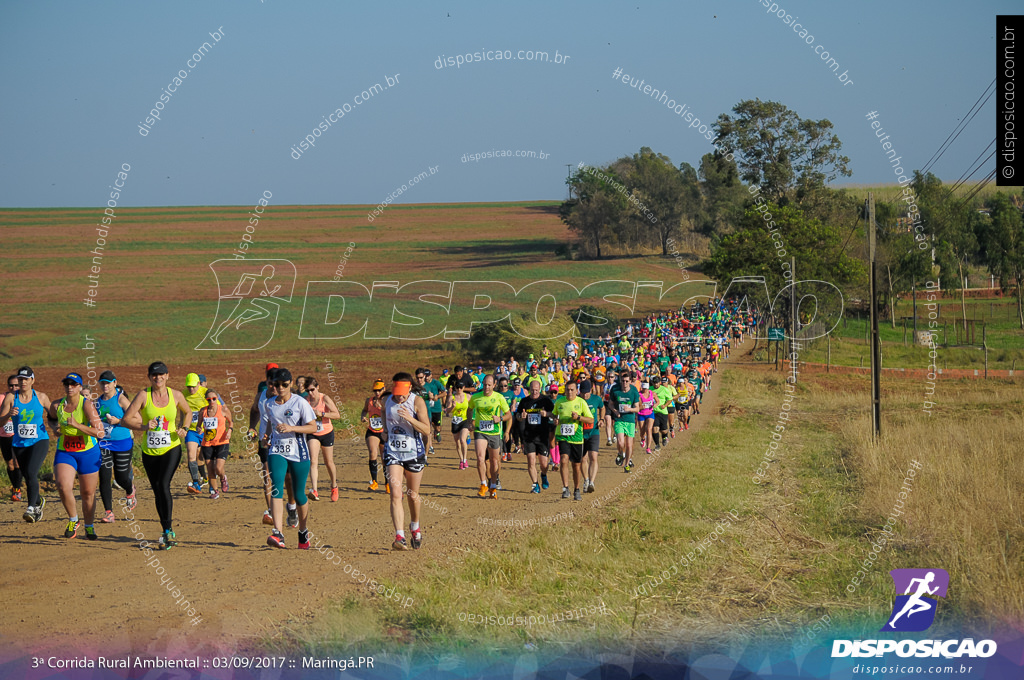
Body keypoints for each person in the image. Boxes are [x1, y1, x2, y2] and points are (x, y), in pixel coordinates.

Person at [121, 361, 191, 550]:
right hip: (149, 450)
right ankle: (165, 529)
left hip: (171, 446)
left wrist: (184, 428)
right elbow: (126, 420)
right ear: (149, 377)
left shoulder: (175, 395)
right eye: (154, 375)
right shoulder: (144, 395)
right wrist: (144, 426)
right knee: (157, 490)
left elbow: (188, 412)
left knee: (163, 484)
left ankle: (169, 532)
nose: (158, 378)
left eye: (161, 374)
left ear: (167, 376)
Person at [261, 368, 318, 549]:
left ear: (291, 384)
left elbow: (313, 427)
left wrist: (292, 428)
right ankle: (278, 533)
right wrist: (266, 437)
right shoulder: (269, 404)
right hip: (277, 450)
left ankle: (303, 531)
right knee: (276, 486)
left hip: (298, 452)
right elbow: (270, 424)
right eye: (277, 385)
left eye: (284, 385)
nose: (280, 388)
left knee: (299, 494)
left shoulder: (299, 402)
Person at [50, 373, 105, 539]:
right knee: (62, 485)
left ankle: (89, 525)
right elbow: (51, 419)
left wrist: (77, 425)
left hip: (88, 452)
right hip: (66, 451)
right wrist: (55, 429)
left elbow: (100, 432)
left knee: (87, 493)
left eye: (74, 384)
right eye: (67, 384)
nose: (70, 387)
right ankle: (73, 519)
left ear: (80, 387)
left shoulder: (87, 405)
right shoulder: (57, 405)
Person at [381, 372, 431, 550]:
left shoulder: (417, 402)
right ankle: (399, 536)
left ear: (409, 388)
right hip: (393, 453)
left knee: (412, 494)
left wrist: (410, 418)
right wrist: (385, 431)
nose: (399, 396)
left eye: (402, 392)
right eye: (396, 391)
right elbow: (383, 414)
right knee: (395, 493)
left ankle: (415, 526)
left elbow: (426, 430)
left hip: (413, 453)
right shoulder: (387, 400)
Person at [0, 367, 53, 523]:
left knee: (30, 472)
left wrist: (58, 424)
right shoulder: (11, 398)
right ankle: (38, 500)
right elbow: (0, 422)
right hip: (19, 443)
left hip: (40, 440)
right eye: (20, 379)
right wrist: (9, 414)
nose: (23, 382)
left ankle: (31, 508)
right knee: (28, 476)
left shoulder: (41, 397)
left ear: (32, 380)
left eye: (26, 379)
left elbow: (54, 415)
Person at [95, 370, 137, 522]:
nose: (105, 385)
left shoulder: (121, 399)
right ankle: (109, 512)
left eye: (108, 382)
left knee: (121, 478)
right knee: (104, 477)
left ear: (114, 383)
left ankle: (130, 489)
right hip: (104, 444)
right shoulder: (97, 402)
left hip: (123, 442)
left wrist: (118, 421)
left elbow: (135, 417)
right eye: (103, 383)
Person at [467, 375, 511, 499]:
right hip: (480, 431)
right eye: (485, 384)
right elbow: (469, 410)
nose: (486, 387)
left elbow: (509, 415)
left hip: (495, 433)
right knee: (480, 458)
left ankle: (493, 485)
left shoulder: (499, 398)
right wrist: (470, 422)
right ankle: (483, 484)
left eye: (489, 385)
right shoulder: (476, 397)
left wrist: (500, 418)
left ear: (494, 385)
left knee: (494, 461)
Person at [550, 381, 594, 501]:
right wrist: (555, 420)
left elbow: (590, 420)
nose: (569, 392)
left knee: (576, 465)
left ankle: (577, 489)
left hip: (577, 438)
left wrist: (578, 418)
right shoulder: (560, 402)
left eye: (572, 390)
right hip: (562, 436)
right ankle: (565, 488)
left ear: (576, 390)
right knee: (563, 460)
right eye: (567, 389)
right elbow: (554, 415)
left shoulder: (581, 402)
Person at [515, 379, 554, 493]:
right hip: (529, 436)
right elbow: (517, 415)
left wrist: (546, 414)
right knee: (531, 461)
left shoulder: (545, 401)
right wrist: (521, 416)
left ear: (540, 389)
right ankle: (535, 484)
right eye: (532, 390)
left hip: (542, 436)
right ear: (529, 390)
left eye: (536, 390)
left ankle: (543, 475)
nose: (534, 392)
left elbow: (554, 414)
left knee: (544, 464)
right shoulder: (524, 401)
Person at [305, 378, 340, 502]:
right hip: (313, 433)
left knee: (328, 462)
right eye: (308, 390)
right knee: (313, 460)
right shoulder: (306, 401)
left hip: (326, 432)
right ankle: (314, 490)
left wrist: (322, 414)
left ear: (317, 387)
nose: (310, 393)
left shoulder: (324, 398)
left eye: (312, 390)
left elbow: (337, 415)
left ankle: (334, 486)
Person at [198, 389, 232, 499]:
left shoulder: (223, 409)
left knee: (218, 468)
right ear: (206, 400)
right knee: (210, 468)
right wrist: (199, 429)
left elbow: (231, 422)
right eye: (209, 399)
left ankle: (223, 478)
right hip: (207, 443)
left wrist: (230, 431)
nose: (211, 401)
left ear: (217, 399)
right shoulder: (203, 411)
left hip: (222, 442)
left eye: (214, 399)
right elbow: (199, 425)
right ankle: (215, 491)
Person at [607, 371, 640, 472]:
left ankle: (627, 464)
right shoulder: (615, 389)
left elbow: (637, 409)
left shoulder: (634, 391)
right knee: (621, 443)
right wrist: (616, 411)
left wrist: (629, 409)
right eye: (623, 381)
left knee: (629, 445)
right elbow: (610, 404)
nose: (624, 383)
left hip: (630, 420)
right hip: (619, 419)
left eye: (626, 381)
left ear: (630, 381)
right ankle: (621, 454)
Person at [183, 373, 209, 495]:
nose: (191, 389)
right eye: (189, 387)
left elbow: (218, 409)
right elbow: (182, 411)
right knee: (191, 455)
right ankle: (196, 483)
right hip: (191, 431)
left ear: (199, 383)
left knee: (204, 458)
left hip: (206, 431)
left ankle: (208, 479)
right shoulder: (183, 394)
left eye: (193, 386)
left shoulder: (206, 393)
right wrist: (182, 425)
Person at [360, 379, 388, 491]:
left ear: (384, 389)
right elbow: (364, 410)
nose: (377, 393)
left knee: (384, 458)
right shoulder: (369, 401)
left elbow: (391, 413)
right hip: (372, 431)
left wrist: (381, 408)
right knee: (372, 453)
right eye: (375, 390)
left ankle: (387, 483)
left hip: (384, 432)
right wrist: (363, 417)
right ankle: (374, 482)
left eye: (379, 390)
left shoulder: (387, 401)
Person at [1, 375, 23, 502]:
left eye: (16, 385)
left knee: (17, 462)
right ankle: (14, 487)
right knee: (10, 464)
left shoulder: (23, 398)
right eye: (11, 385)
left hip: (19, 435)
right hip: (4, 435)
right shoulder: (1, 398)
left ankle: (17, 490)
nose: (13, 388)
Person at [580, 380, 604, 493]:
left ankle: (592, 482)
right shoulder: (577, 400)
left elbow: (602, 408)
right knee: (583, 458)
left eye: (587, 392)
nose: (585, 395)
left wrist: (601, 419)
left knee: (593, 457)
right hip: (580, 432)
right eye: (583, 392)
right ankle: (586, 480)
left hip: (594, 431)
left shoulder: (596, 399)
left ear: (591, 390)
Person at [445, 381, 472, 470]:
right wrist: (452, 407)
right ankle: (461, 460)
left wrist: (471, 420)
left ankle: (465, 459)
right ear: (455, 388)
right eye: (457, 387)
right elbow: (447, 411)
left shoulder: (468, 397)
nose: (459, 389)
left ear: (463, 387)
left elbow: (473, 408)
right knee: (457, 443)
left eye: (461, 387)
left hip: (464, 420)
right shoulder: (451, 398)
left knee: (462, 440)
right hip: (455, 422)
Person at [420, 369, 445, 448]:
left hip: (436, 408)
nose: (426, 378)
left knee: (438, 427)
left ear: (431, 375)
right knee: (428, 427)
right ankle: (430, 446)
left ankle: (437, 433)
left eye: (428, 376)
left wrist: (437, 396)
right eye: (425, 376)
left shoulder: (436, 383)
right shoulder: (423, 384)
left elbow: (444, 392)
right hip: (426, 408)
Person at [651, 375, 675, 451]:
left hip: (663, 412)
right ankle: (657, 445)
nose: (655, 384)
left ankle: (665, 437)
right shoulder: (650, 390)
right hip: (653, 412)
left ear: (660, 383)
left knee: (663, 430)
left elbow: (670, 399)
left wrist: (665, 405)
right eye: (654, 383)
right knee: (655, 429)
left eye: (657, 383)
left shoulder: (664, 389)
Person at [637, 380, 656, 454]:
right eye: (643, 388)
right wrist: (641, 406)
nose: (644, 390)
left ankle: (648, 448)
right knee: (642, 431)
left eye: (646, 388)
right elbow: (637, 405)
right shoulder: (639, 395)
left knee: (649, 429)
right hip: (641, 414)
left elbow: (657, 401)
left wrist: (655, 405)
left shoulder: (652, 393)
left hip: (650, 413)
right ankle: (642, 439)